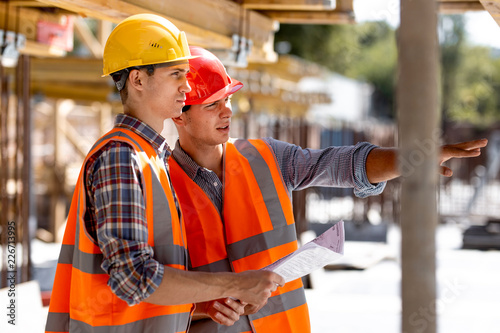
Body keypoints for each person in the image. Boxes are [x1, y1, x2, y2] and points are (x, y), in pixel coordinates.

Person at [169, 46, 489, 332]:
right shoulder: (160, 184)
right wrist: (204, 306)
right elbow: (149, 288)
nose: (227, 111)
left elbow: (342, 164)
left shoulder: (266, 158)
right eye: (212, 105)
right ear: (179, 116)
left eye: (228, 99)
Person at [44, 15, 284, 333]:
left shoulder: (152, 157)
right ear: (138, 80)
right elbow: (134, 279)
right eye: (176, 75)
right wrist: (237, 284)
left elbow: (145, 288)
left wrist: (204, 302)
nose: (187, 86)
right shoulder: (122, 157)